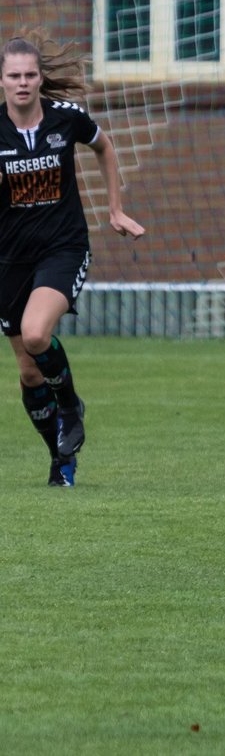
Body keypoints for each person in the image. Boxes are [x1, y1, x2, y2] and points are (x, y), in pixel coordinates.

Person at [1, 30, 146, 486]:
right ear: (2, 81)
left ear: (41, 78)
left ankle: (70, 405)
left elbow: (104, 147)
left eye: (29, 74)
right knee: (28, 374)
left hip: (63, 248)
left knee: (36, 333)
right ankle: (60, 459)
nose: (22, 82)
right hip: (9, 260)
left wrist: (116, 208)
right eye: (13, 76)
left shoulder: (67, 118)